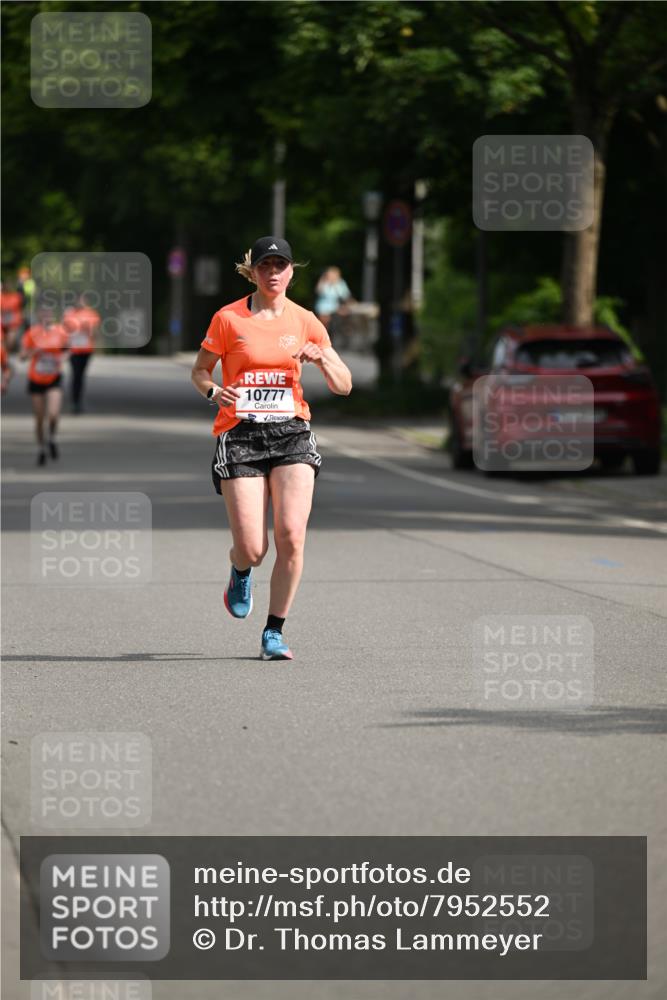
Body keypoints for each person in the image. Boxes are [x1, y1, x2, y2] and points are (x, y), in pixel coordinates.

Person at [191, 236, 352, 661]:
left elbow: (344, 384)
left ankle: (274, 631)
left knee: (291, 537)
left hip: (292, 434)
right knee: (253, 548)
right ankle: (240, 567)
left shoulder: (306, 320)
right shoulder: (228, 318)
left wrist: (322, 358)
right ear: (254, 272)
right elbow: (201, 371)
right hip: (241, 434)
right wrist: (213, 393)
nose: (274, 272)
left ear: (292, 272)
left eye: (281, 265)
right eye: (266, 266)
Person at [20, 307, 69, 465]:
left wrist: (62, 358)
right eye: (44, 312)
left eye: (49, 313)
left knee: (53, 414)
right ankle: (41, 448)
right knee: (40, 418)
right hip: (36, 378)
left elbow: (68, 350)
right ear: (38, 315)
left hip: (54, 377)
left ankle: (52, 438)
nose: (47, 316)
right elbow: (22, 356)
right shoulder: (32, 333)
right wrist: (33, 352)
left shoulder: (60, 332)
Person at [63, 294, 100, 412]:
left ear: (86, 302)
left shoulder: (91, 314)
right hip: (73, 350)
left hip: (86, 349)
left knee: (81, 375)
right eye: (78, 300)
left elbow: (95, 334)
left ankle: (78, 400)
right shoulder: (69, 313)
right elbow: (64, 332)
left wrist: (87, 329)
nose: (80, 302)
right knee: (75, 374)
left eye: (82, 300)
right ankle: (75, 401)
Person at [313, 266, 353, 337]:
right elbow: (318, 291)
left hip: (335, 307)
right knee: (324, 321)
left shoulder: (340, 283)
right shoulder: (324, 283)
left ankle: (343, 334)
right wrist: (323, 279)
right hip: (324, 308)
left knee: (347, 314)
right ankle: (323, 336)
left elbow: (345, 296)